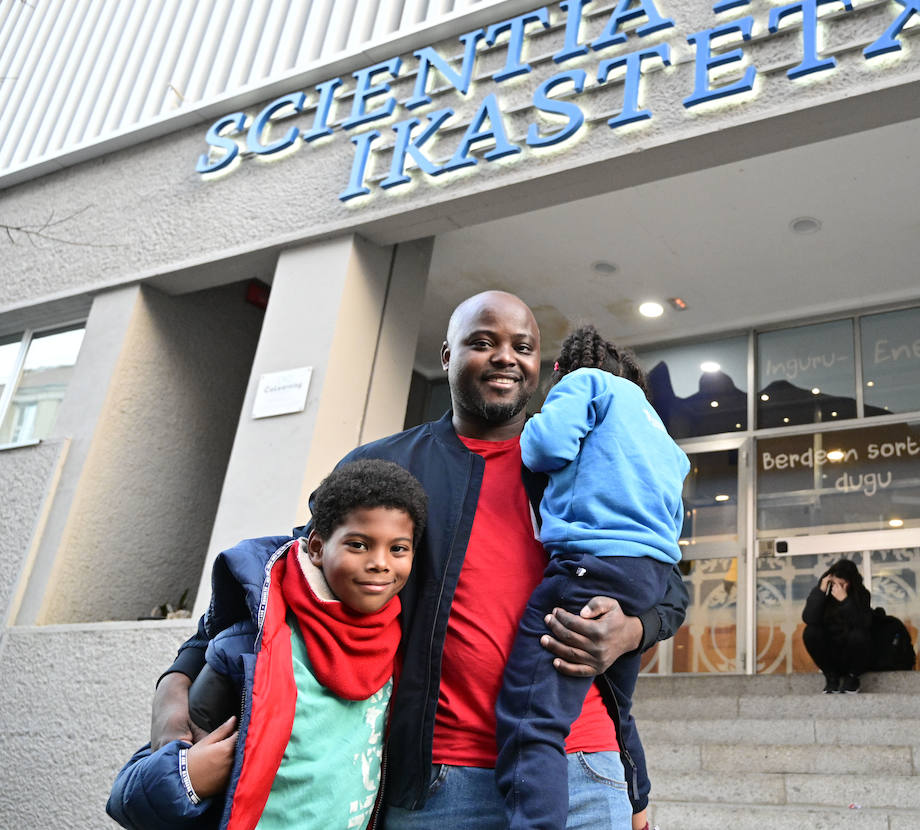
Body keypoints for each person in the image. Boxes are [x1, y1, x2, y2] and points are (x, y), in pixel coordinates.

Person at [146, 291, 688, 830]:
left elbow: (668, 586)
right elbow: (280, 579)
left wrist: (633, 630)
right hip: (438, 781)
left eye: (521, 346)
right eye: (482, 342)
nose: (504, 356)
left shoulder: (576, 463)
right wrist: (177, 685)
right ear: (448, 356)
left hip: (584, 772)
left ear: (539, 366)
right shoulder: (384, 465)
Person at [107, 459, 427, 829]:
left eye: (398, 549)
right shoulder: (248, 647)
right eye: (358, 544)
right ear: (318, 548)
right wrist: (189, 778)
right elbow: (128, 799)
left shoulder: (398, 645)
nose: (380, 563)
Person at [496, 324, 689, 830]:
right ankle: (638, 806)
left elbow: (545, 449)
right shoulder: (662, 437)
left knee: (531, 715)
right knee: (617, 703)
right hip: (647, 576)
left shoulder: (586, 383)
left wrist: (536, 423)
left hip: (589, 563)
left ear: (564, 368)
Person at [801, 559, 873, 693]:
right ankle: (831, 677)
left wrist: (845, 601)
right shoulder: (823, 595)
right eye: (834, 583)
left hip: (852, 655)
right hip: (830, 654)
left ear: (850, 583)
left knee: (859, 633)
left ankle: (852, 678)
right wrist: (820, 591)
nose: (837, 588)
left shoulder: (861, 595)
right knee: (810, 631)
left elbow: (864, 623)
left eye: (842, 584)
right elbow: (808, 618)